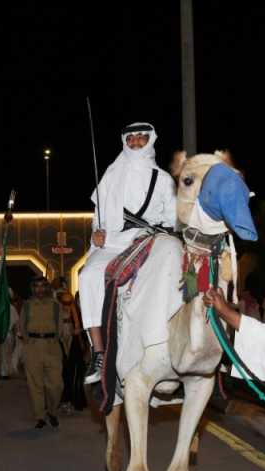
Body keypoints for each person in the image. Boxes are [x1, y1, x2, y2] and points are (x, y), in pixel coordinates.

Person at [79, 122, 177, 383]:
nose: (135, 143)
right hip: (111, 243)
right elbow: (97, 216)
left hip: (145, 241)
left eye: (140, 139)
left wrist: (160, 230)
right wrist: (96, 231)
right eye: (130, 139)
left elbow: (173, 219)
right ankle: (98, 352)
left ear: (150, 140)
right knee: (87, 276)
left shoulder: (164, 179)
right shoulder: (110, 176)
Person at [205, 287, 265, 381]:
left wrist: (224, 310)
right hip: (244, 329)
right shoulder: (243, 303)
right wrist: (225, 306)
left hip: (253, 327)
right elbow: (235, 306)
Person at [20, 276, 63, 428]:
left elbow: (60, 327)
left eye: (42, 286)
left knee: (56, 385)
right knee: (35, 385)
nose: (39, 289)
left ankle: (52, 411)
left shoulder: (55, 305)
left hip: (52, 346)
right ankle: (40, 416)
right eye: (36, 286)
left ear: (47, 288)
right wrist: (28, 343)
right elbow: (22, 326)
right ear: (33, 288)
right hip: (33, 347)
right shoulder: (27, 305)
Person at [58, 291, 87, 413]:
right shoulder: (57, 314)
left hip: (75, 347)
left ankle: (75, 401)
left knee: (76, 375)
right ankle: (64, 400)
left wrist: (78, 330)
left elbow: (84, 329)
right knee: (64, 375)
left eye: (69, 302)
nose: (67, 305)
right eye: (64, 302)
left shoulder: (78, 313)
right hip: (61, 347)